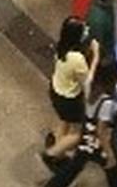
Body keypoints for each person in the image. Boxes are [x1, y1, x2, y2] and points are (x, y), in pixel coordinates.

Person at [42, 16, 99, 160]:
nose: (86, 31)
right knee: (80, 132)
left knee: (65, 120)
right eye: (83, 30)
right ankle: (56, 152)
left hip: (56, 91)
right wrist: (96, 56)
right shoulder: (76, 59)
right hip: (69, 100)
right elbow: (87, 81)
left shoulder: (62, 47)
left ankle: (58, 144)